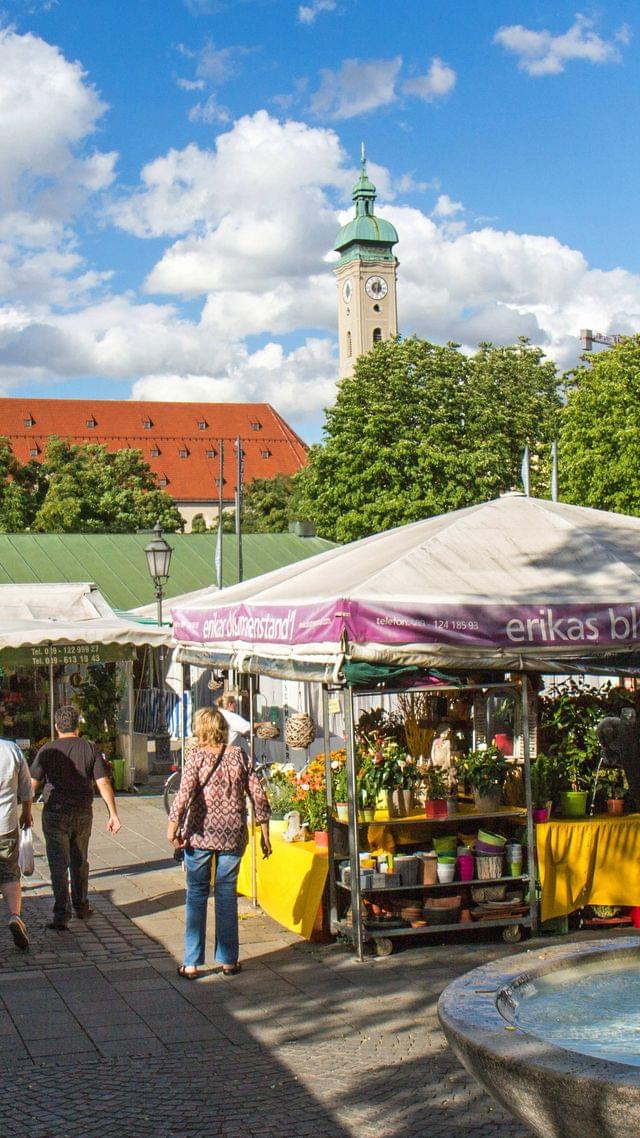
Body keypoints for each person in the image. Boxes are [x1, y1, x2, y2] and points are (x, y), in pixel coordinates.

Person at [167, 707, 271, 979]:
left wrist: (172, 826)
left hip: (200, 834)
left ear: (200, 729)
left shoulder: (196, 757)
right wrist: (265, 831)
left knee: (197, 894)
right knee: (226, 894)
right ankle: (228, 960)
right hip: (232, 834)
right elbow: (257, 794)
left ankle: (191, 963)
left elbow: (185, 792)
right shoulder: (239, 755)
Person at [31, 704, 122, 931]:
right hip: (82, 811)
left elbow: (32, 784)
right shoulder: (90, 749)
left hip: (55, 812)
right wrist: (113, 813)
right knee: (79, 860)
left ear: (56, 727)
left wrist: (23, 810)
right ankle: (81, 905)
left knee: (58, 863)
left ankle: (61, 914)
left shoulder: (47, 751)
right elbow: (103, 783)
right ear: (77, 727)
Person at [0, 739, 33, 951]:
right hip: (5, 824)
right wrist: (27, 813)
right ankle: (14, 916)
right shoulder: (10, 749)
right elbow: (27, 789)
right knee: (10, 873)